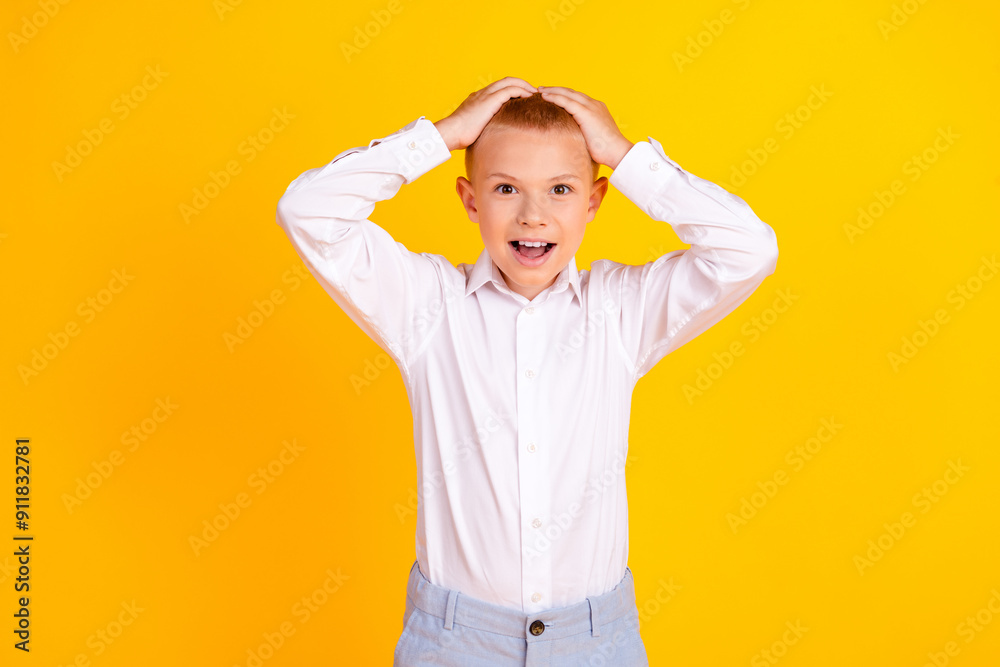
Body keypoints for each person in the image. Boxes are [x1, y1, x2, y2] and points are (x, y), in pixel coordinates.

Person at [275, 76, 779, 666]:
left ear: (594, 202)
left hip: (594, 642)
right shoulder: (427, 307)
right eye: (507, 188)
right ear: (470, 200)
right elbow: (306, 211)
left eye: (561, 189)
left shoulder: (618, 312)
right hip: (457, 643)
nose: (533, 215)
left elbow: (749, 249)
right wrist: (443, 136)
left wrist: (623, 156)